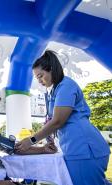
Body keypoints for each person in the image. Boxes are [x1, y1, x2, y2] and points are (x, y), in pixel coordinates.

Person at [15, 50, 111, 185]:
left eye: (41, 76)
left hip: (85, 149)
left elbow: (58, 121)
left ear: (52, 69)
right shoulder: (55, 90)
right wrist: (49, 140)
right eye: (37, 78)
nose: (40, 81)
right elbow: (52, 122)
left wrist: (31, 140)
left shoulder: (66, 85)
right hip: (76, 149)